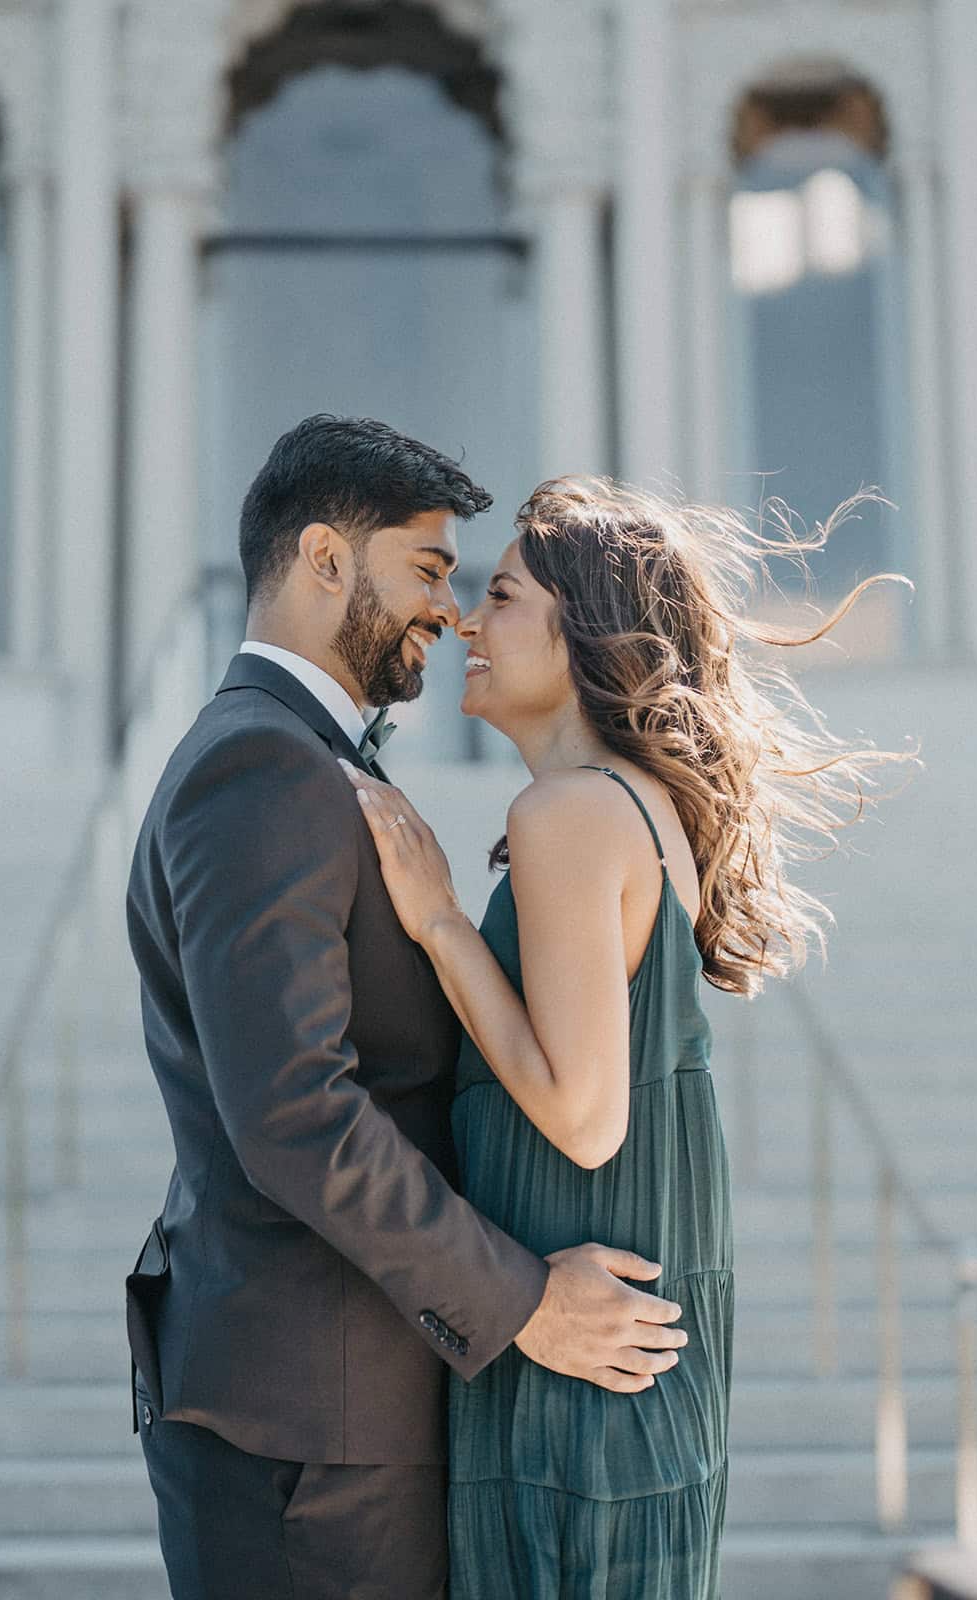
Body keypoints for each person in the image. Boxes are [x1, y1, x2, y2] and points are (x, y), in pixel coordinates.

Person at [125, 422, 688, 1600]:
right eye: (428, 570)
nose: (448, 609)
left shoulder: (309, 761)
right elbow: (297, 1114)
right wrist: (523, 1304)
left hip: (345, 1415)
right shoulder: (260, 766)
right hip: (306, 1434)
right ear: (324, 558)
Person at [341, 476, 906, 1599]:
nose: (466, 622)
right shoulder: (628, 806)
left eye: (502, 596)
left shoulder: (569, 812)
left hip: (580, 1389)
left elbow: (586, 1117)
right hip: (613, 1374)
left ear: (582, 630)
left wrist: (439, 921)